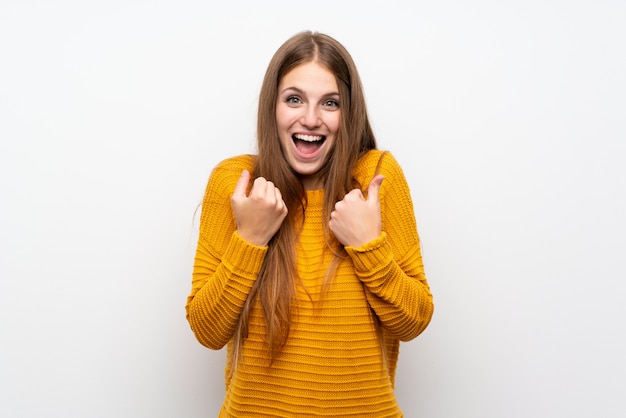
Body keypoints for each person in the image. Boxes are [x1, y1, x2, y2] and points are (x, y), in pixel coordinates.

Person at [186, 30, 434, 417]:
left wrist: (368, 247)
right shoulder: (237, 184)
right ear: (273, 107)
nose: (311, 119)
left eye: (330, 103)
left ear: (348, 112)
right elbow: (207, 331)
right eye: (294, 99)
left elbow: (414, 321)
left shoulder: (375, 179)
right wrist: (250, 239)